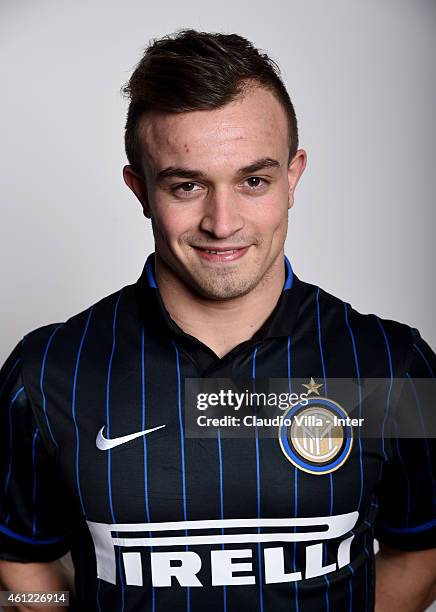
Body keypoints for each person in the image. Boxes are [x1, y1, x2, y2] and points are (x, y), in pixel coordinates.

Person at [0, 29, 435, 612]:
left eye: (254, 181)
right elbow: (19, 555)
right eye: (187, 185)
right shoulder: (45, 372)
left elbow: (422, 546)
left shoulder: (393, 365)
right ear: (140, 190)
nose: (222, 221)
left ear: (293, 177)